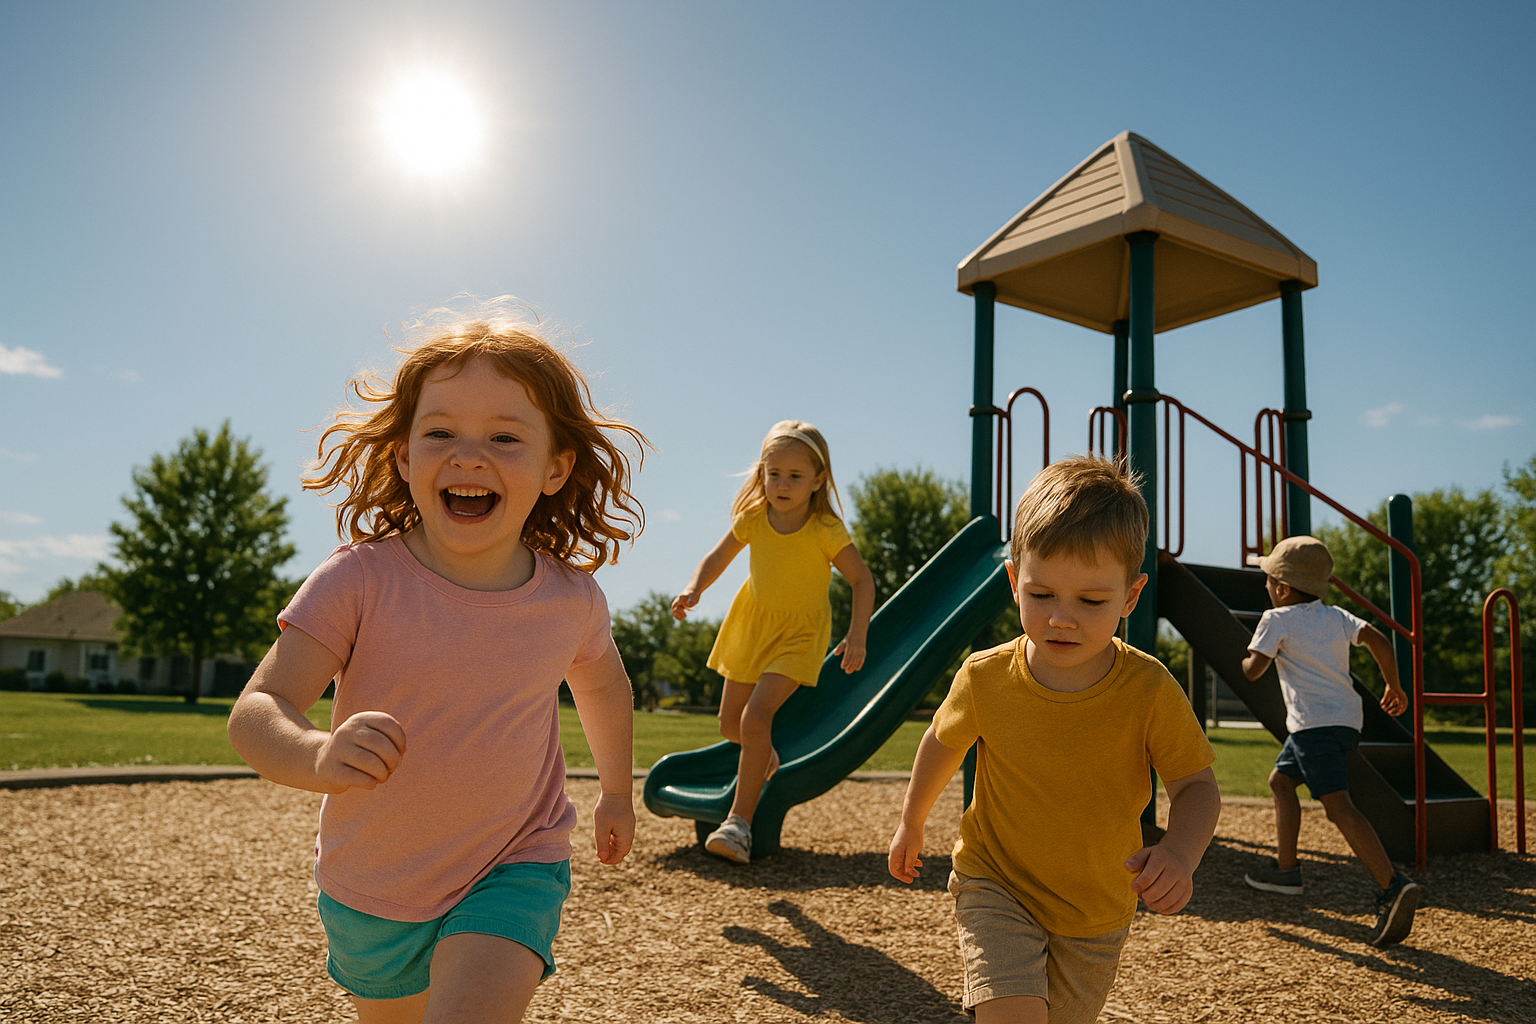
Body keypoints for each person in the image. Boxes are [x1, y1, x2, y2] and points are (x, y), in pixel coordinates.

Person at [227, 313, 646, 1023]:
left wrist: (614, 794)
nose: (469, 457)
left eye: (505, 438)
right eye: (441, 433)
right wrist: (317, 753)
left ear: (556, 467)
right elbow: (257, 710)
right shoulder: (358, 581)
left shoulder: (570, 600)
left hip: (516, 862)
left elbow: (604, 686)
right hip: (372, 885)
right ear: (402, 456)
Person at [888, 456, 1220, 1024]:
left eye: (1091, 602)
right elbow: (942, 743)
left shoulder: (1148, 689)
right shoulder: (986, 677)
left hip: (1095, 911)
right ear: (1014, 581)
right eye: (1041, 595)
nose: (1062, 619)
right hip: (995, 883)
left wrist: (1179, 854)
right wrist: (911, 821)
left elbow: (1196, 786)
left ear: (1131, 596)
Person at [672, 420, 875, 864]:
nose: (782, 484)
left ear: (818, 480)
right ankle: (764, 755)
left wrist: (857, 633)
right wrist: (694, 587)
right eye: (774, 473)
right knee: (731, 724)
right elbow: (718, 556)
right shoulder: (753, 518)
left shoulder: (824, 528)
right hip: (752, 628)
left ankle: (738, 826)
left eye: (795, 476)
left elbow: (862, 580)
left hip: (799, 636)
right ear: (761, 473)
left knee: (755, 717)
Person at [1239, 534, 1421, 947]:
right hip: (1345, 722)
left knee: (1339, 807)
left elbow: (1253, 671)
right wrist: (1393, 685)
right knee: (1281, 781)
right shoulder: (1336, 615)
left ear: (1282, 588)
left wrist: (1248, 655)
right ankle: (1287, 870)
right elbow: (1378, 639)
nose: (1266, 585)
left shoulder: (1276, 619)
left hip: (1313, 726)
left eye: (1269, 579)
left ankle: (1392, 885)